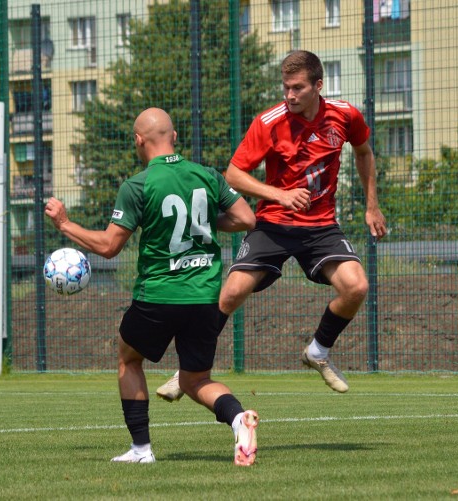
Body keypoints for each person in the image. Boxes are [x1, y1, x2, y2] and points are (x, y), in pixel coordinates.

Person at [157, 50, 387, 402]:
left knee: (356, 287)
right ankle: (187, 370)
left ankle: (318, 351)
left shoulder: (344, 115)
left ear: (318, 85)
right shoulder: (269, 122)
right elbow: (233, 174)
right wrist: (279, 195)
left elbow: (364, 152)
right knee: (231, 293)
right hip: (273, 224)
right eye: (285, 87)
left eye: (297, 88)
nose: (290, 95)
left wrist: (372, 206)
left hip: (321, 226)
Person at [44, 108, 259, 466]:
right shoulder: (206, 174)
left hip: (158, 295)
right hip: (205, 296)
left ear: (138, 141)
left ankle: (141, 450)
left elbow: (109, 246)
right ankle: (239, 420)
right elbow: (247, 219)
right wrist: (202, 225)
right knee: (194, 379)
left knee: (129, 359)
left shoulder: (138, 185)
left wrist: (65, 224)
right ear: (174, 137)